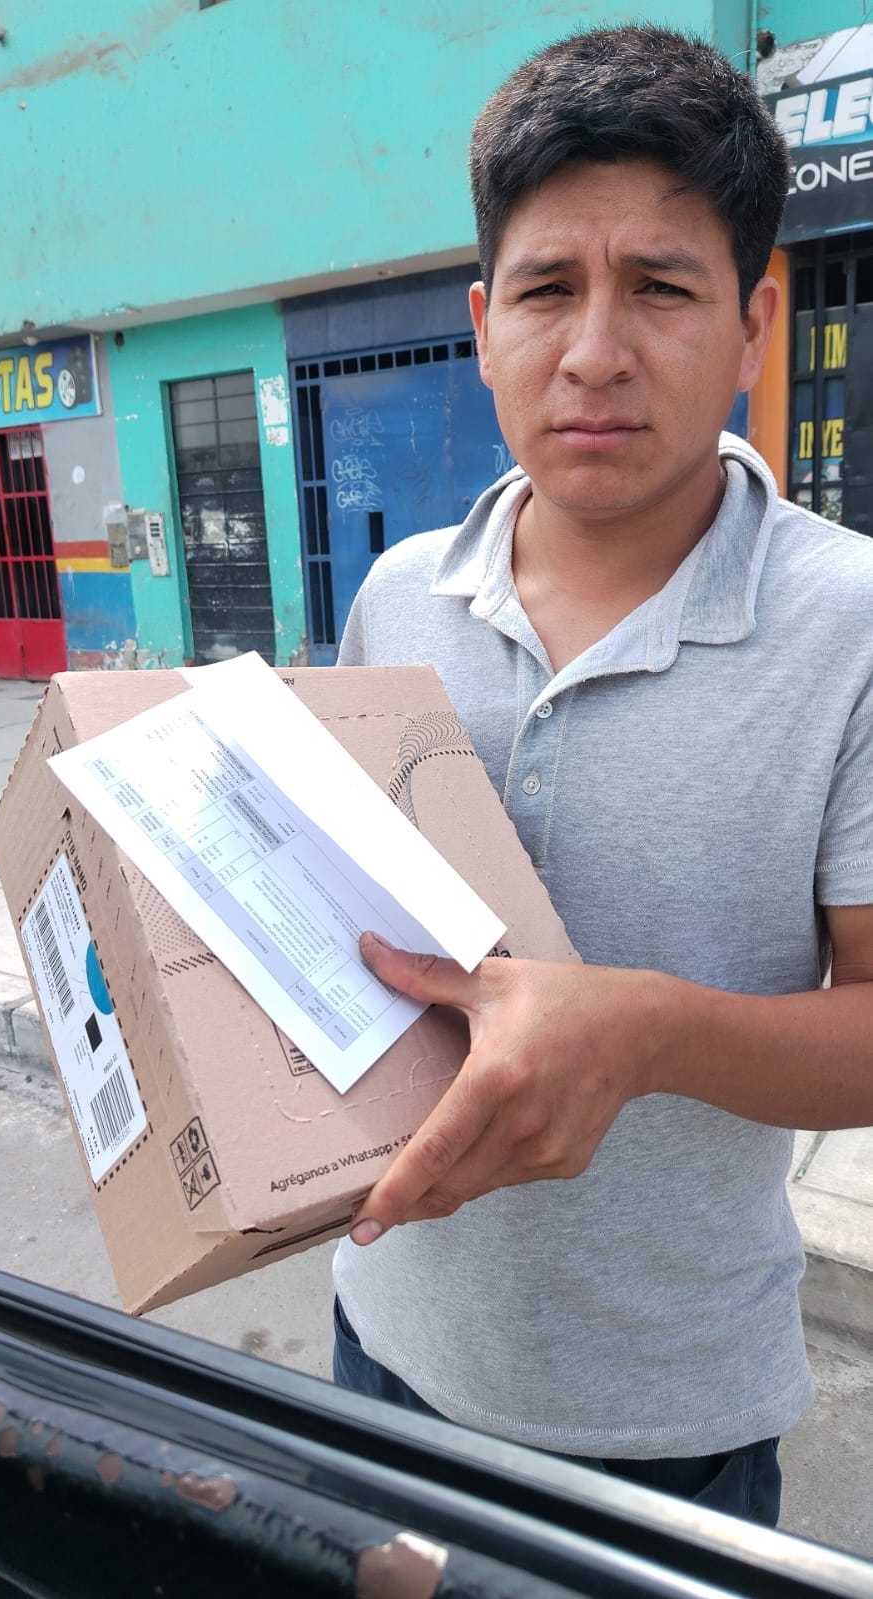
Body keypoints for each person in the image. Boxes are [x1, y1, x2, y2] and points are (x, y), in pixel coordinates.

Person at [329, 25, 873, 1525]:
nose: (593, 354)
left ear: (755, 323)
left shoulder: (853, 627)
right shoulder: (396, 597)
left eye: (663, 288)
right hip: (378, 1346)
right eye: (548, 288)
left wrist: (644, 1033)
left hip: (668, 1423)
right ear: (481, 319)